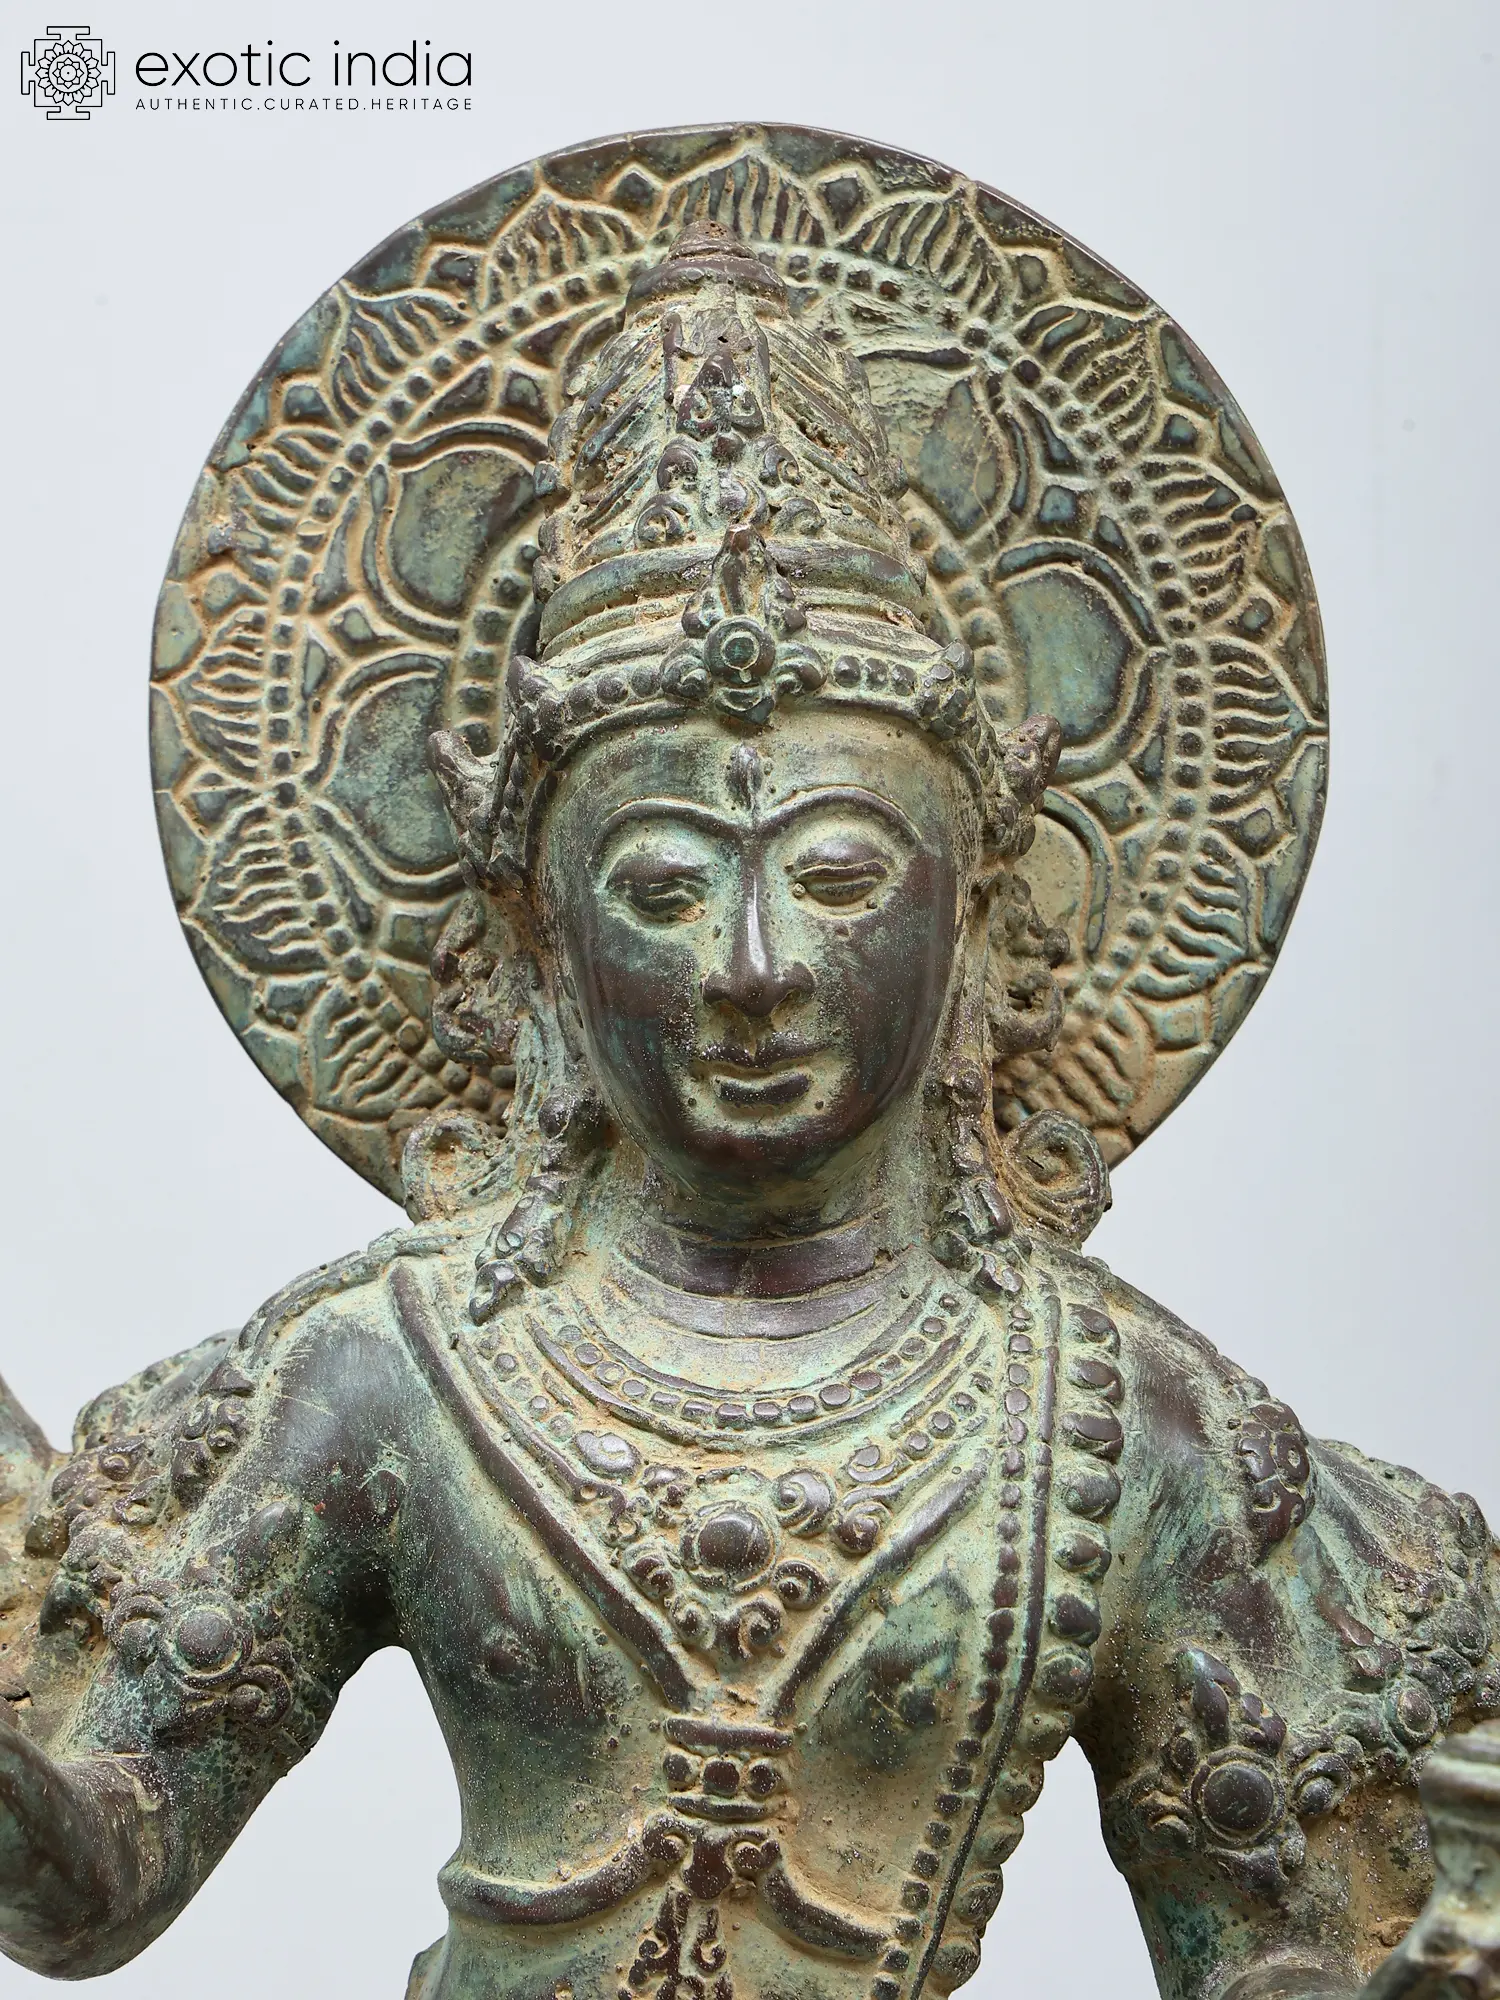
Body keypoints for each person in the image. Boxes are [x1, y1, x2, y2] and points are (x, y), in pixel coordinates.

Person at [0, 219, 1493, 2000]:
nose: (755, 965)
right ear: (537, 942)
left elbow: (1282, 1945)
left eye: (842, 873)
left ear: (977, 913)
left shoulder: (1113, 1422)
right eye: (660, 883)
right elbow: (89, 1884)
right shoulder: (390, 1367)